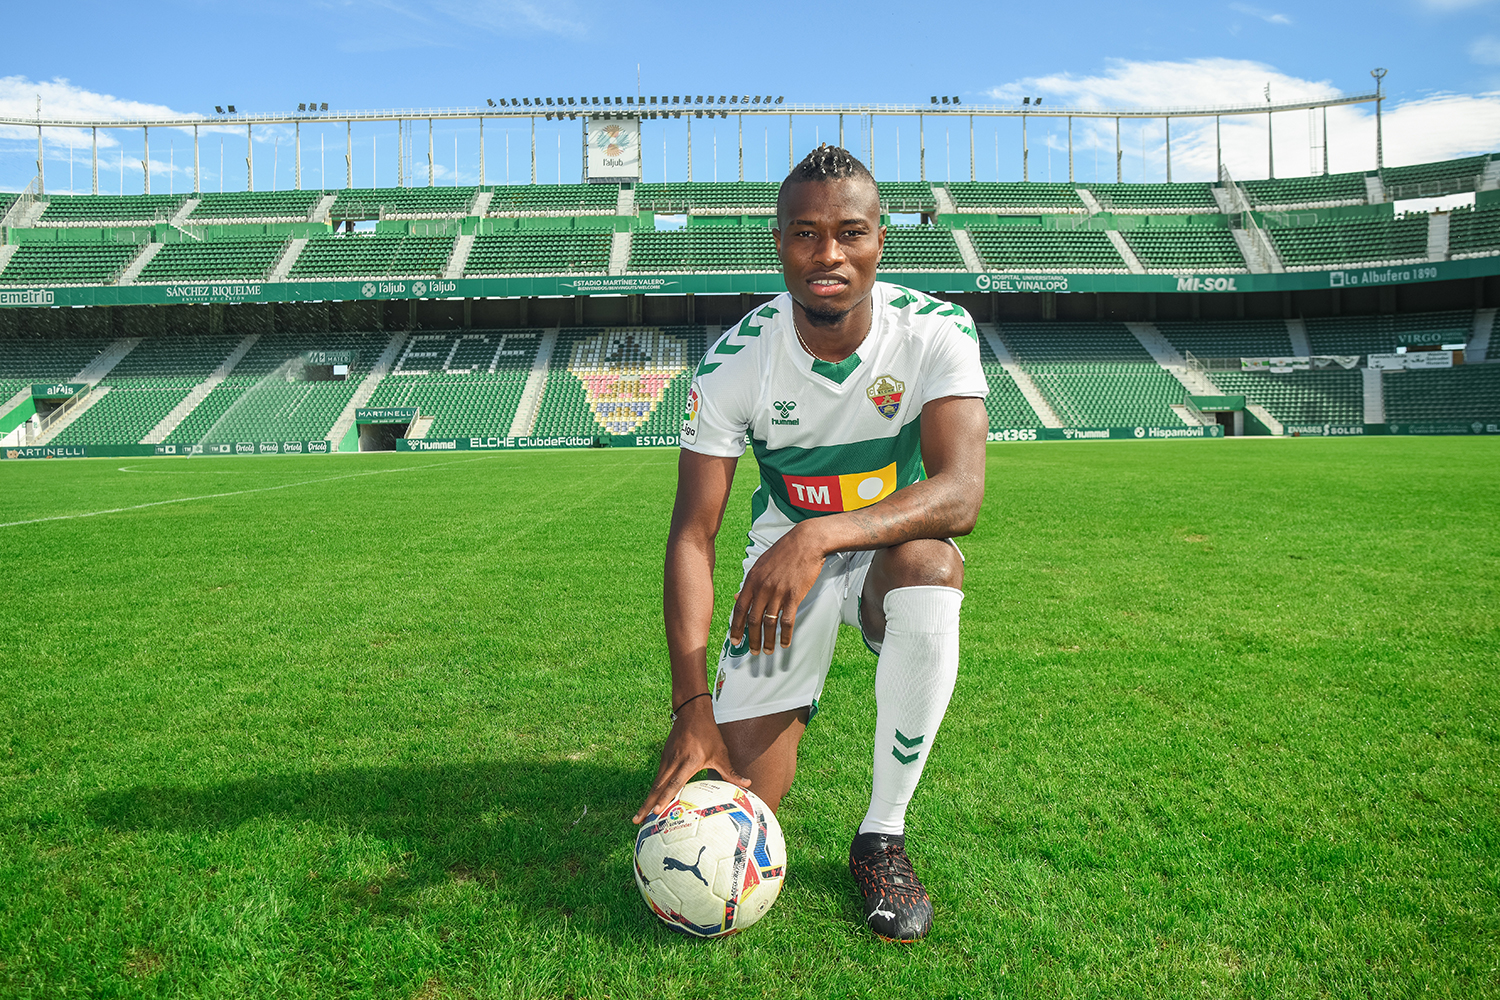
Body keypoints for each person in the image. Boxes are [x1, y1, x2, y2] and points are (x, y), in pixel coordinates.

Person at [631, 144, 989, 942]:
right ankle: (738, 712)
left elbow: (960, 492)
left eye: (849, 232)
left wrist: (821, 535)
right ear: (779, 243)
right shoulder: (736, 362)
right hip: (781, 568)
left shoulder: (935, 330)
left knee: (932, 565)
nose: (828, 254)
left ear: (880, 240)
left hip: (885, 547)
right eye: (805, 234)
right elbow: (692, 534)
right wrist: (691, 708)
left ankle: (882, 837)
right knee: (743, 789)